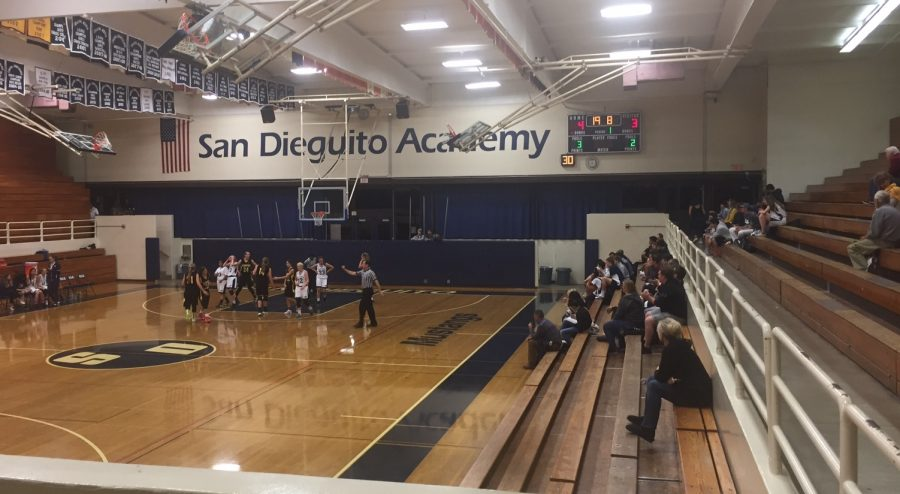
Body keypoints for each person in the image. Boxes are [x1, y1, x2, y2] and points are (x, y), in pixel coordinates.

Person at [626, 318, 712, 443]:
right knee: (651, 380)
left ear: (662, 335)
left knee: (654, 385)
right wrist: (660, 374)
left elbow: (661, 376)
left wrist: (659, 372)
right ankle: (646, 420)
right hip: (697, 390)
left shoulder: (670, 350)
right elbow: (666, 374)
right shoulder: (680, 344)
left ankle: (648, 429)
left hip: (696, 396)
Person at [847, 190, 900, 271]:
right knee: (859, 244)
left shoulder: (880, 211)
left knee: (852, 248)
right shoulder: (895, 210)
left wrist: (865, 237)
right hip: (895, 241)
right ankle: (870, 263)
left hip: (884, 241)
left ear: (877, 201)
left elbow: (875, 233)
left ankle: (862, 270)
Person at [640, 265, 688, 354]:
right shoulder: (669, 283)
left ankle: (646, 346)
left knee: (648, 320)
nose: (658, 276)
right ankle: (650, 337)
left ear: (664, 276)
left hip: (677, 316)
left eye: (659, 274)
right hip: (669, 310)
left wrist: (647, 297)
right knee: (647, 312)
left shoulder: (671, 287)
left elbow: (657, 302)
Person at [600, 279, 645, 352]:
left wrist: (612, 322)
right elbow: (628, 309)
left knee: (607, 326)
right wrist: (613, 308)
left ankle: (613, 347)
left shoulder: (626, 299)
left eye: (623, 286)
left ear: (626, 288)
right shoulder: (636, 296)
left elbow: (618, 315)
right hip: (638, 323)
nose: (622, 287)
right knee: (614, 321)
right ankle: (614, 339)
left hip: (632, 326)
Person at [342, 257, 382, 328]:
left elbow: (376, 281)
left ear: (367, 265)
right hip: (364, 291)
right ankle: (373, 322)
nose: (362, 265)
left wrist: (380, 290)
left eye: (363, 264)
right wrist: (345, 269)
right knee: (369, 308)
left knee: (361, 307)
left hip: (368, 291)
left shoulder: (371, 272)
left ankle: (361, 323)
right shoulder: (362, 271)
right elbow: (353, 273)